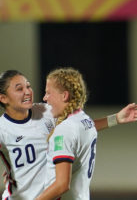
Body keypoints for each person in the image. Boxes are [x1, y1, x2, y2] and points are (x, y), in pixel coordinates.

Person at [0, 70, 137, 200]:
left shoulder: (45, 111)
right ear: (3, 98)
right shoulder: (0, 128)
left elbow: (76, 130)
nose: (27, 91)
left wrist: (115, 119)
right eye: (19, 89)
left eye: (28, 86)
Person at [36, 67, 96, 200]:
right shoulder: (84, 120)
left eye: (48, 93)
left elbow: (62, 184)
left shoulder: (64, 130)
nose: (45, 98)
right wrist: (114, 119)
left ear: (64, 95)